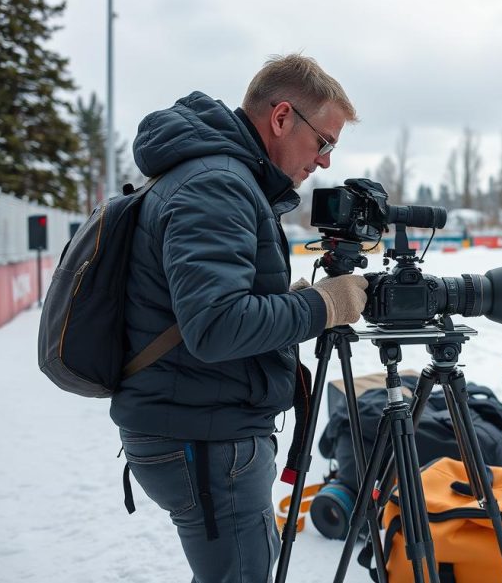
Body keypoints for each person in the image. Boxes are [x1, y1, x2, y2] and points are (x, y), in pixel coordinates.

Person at [111, 54, 368, 582]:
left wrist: (287, 300)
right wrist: (323, 305)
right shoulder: (217, 184)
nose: (323, 162)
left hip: (197, 423)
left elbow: (206, 305)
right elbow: (217, 325)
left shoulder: (219, 175)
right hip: (201, 435)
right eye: (324, 142)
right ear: (280, 118)